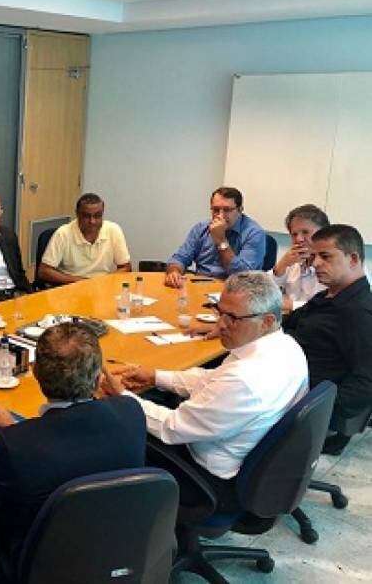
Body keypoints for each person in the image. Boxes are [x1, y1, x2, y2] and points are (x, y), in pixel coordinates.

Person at [0, 323, 145, 582]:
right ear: (97, 378)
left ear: (36, 375)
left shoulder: (16, 446)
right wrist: (19, 430)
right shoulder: (131, 413)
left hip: (43, 563)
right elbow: (71, 445)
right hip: (119, 546)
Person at [103, 272, 307, 512]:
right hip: (240, 452)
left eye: (232, 318)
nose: (220, 325)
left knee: (111, 425)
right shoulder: (286, 347)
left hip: (206, 480)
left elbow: (172, 428)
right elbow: (212, 380)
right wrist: (155, 376)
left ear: (267, 321)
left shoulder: (244, 380)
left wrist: (122, 397)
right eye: (220, 312)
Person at [283, 224, 372, 456]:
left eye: (325, 256)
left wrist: (316, 415)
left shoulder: (358, 313)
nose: (315, 264)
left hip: (303, 410)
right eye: (313, 257)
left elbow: (366, 381)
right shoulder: (327, 296)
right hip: (286, 384)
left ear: (353, 259)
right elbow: (289, 323)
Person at [165, 187, 265, 287]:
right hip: (200, 286)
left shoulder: (254, 233)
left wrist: (221, 240)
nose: (220, 216)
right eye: (216, 210)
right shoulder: (201, 228)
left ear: (240, 210)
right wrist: (174, 272)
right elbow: (179, 258)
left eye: (227, 210)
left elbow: (242, 276)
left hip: (234, 290)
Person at [37, 193, 131, 285]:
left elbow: (126, 267)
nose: (92, 221)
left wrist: (103, 282)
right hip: (72, 285)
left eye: (97, 216)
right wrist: (84, 282)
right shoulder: (63, 234)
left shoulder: (113, 230)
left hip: (103, 285)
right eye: (86, 216)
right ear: (77, 214)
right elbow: (44, 271)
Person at [272, 204, 329, 311]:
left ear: (324, 233)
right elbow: (263, 292)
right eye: (294, 234)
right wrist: (281, 266)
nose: (299, 239)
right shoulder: (292, 259)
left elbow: (328, 306)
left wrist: (292, 305)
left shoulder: (332, 264)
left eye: (305, 232)